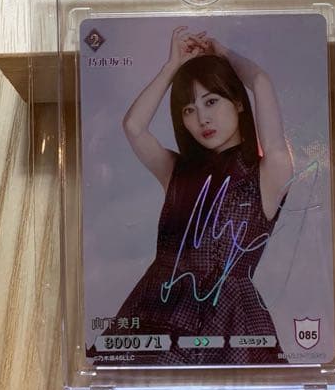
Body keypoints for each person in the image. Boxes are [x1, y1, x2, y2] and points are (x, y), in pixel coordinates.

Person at [92, 25, 293, 366]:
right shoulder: (177, 171)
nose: (202, 118)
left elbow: (260, 81)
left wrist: (223, 54)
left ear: (238, 103)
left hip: (230, 319)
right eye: (188, 109)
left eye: (211, 101)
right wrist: (171, 67)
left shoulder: (268, 172)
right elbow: (134, 127)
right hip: (156, 308)